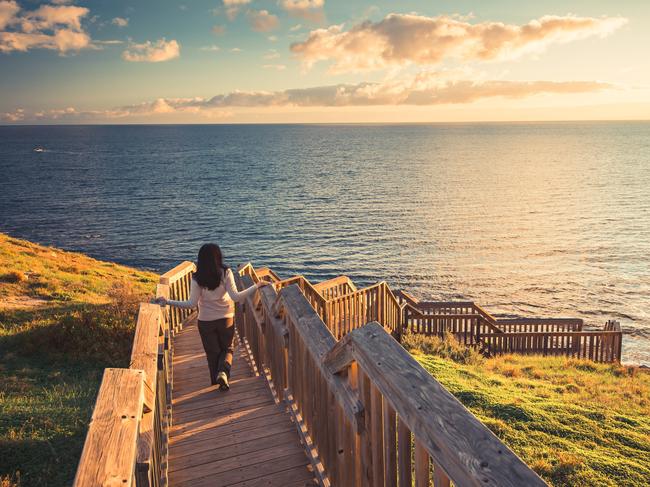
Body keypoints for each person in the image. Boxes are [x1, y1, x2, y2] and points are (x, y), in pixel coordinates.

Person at [156, 244, 268, 390]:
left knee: (212, 353)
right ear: (218, 256)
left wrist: (168, 301)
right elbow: (235, 297)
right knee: (227, 349)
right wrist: (256, 285)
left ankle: (216, 381)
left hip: (205, 321)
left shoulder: (197, 277)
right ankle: (223, 373)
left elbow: (191, 304)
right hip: (226, 318)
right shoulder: (225, 273)